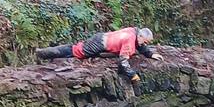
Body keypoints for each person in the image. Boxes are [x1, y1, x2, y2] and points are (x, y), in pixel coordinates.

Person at [34, 27, 164, 82]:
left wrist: (151, 54)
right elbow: (123, 62)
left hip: (103, 37)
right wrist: (133, 75)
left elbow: (140, 46)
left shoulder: (134, 31)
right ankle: (43, 53)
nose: (144, 44)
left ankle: (46, 53)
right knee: (75, 51)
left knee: (75, 49)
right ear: (140, 36)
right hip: (100, 43)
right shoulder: (129, 41)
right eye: (145, 41)